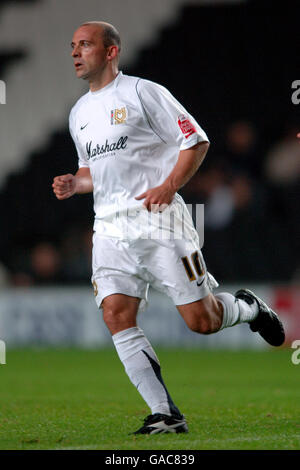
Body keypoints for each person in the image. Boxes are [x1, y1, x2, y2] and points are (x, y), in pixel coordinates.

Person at [52, 21, 285, 435]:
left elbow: (196, 140)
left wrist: (169, 185)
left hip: (161, 223)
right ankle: (165, 413)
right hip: (108, 230)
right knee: (115, 313)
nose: (75, 52)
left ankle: (249, 307)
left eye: (84, 45)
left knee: (202, 320)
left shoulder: (144, 93)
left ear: (110, 52)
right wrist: (75, 183)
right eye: (72, 46)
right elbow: (91, 172)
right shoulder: (78, 114)